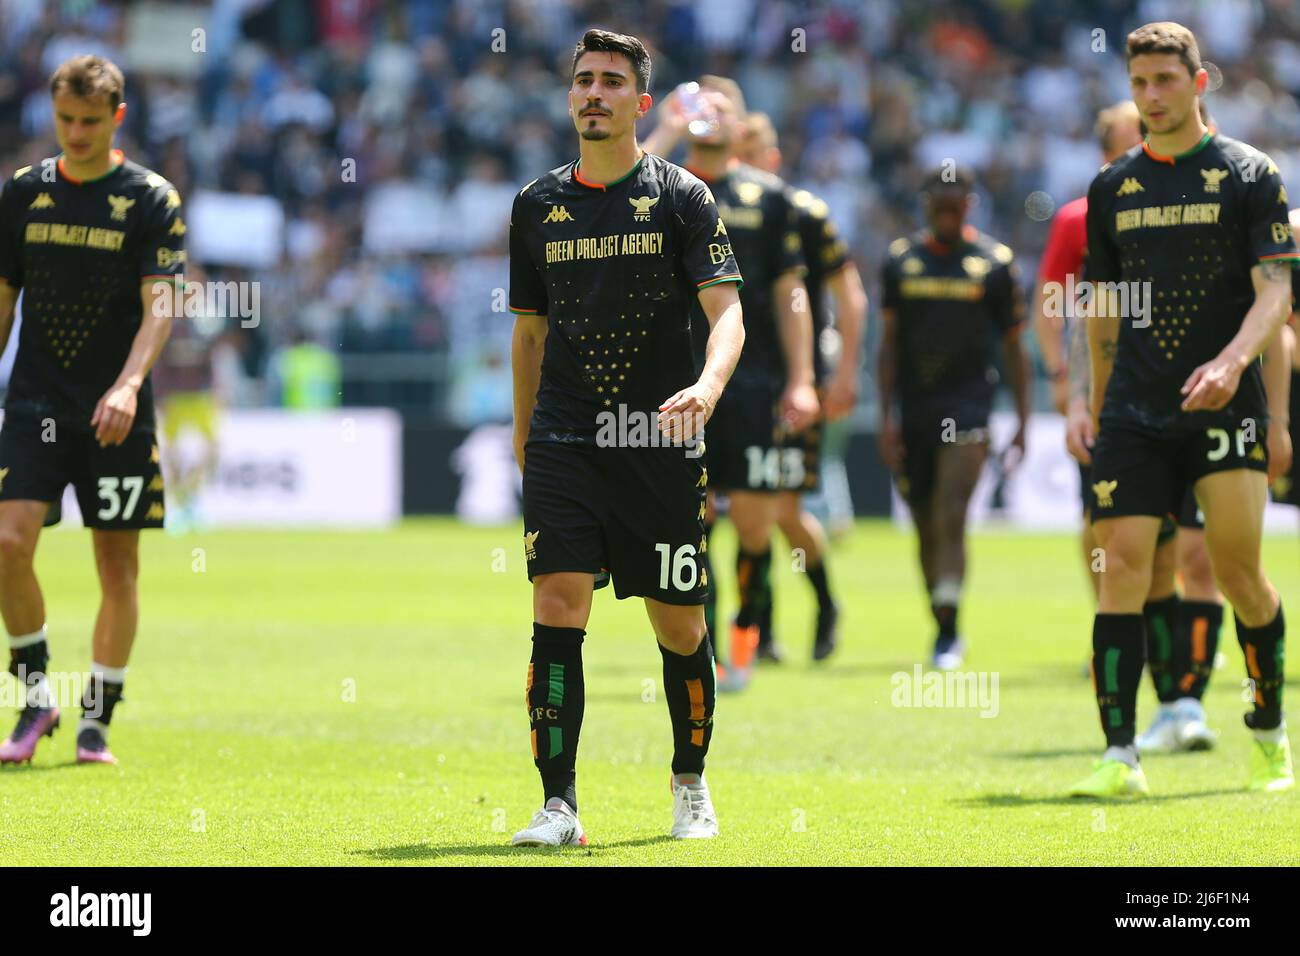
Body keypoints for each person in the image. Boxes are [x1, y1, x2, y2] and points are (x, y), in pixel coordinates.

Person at [508, 30, 745, 845]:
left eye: (612, 82)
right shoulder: (536, 205)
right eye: (583, 81)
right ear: (570, 96)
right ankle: (558, 805)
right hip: (567, 438)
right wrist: (523, 430)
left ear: (642, 104)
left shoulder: (683, 197)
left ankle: (690, 782)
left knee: (679, 624)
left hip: (659, 440)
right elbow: (530, 333)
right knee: (556, 606)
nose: (594, 93)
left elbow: (728, 311)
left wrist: (709, 386)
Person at [1071, 21, 1297, 798]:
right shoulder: (1112, 185)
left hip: (1225, 405)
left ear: (1199, 84)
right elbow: (1100, 306)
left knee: (1236, 573)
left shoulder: (1249, 174)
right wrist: (1092, 403)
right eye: (1138, 84)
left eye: (1165, 81)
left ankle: (1268, 726)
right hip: (1135, 410)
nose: (1150, 97)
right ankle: (1119, 754)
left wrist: (1241, 375)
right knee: (1122, 571)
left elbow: (1277, 290)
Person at [0, 55, 185, 765]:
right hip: (35, 402)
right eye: (65, 121)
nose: (75, 134)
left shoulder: (150, 199)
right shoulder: (23, 194)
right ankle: (36, 696)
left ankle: (96, 720)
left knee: (117, 564)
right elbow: (3, 296)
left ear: (117, 117)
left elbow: (161, 304)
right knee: (9, 542)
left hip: (117, 411)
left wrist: (129, 384)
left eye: (89, 122)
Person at [646, 76, 819, 688]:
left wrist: (802, 379)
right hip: (675, 384)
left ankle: (747, 642)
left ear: (743, 125)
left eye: (723, 107)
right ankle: (709, 649)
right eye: (699, 105)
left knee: (752, 523)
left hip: (753, 384)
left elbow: (789, 291)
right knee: (691, 526)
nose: (709, 113)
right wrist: (666, 127)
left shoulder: (770, 198)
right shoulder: (662, 190)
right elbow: (624, 182)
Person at [878, 167, 1029, 670]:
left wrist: (1025, 420)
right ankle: (941, 619)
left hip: (970, 406)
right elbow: (889, 346)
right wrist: (885, 419)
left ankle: (949, 628)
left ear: (970, 205)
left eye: (956, 200)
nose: (948, 208)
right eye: (939, 201)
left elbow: (1014, 348)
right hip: (915, 408)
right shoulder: (902, 261)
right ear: (924, 204)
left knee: (951, 507)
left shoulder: (995, 263)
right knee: (924, 521)